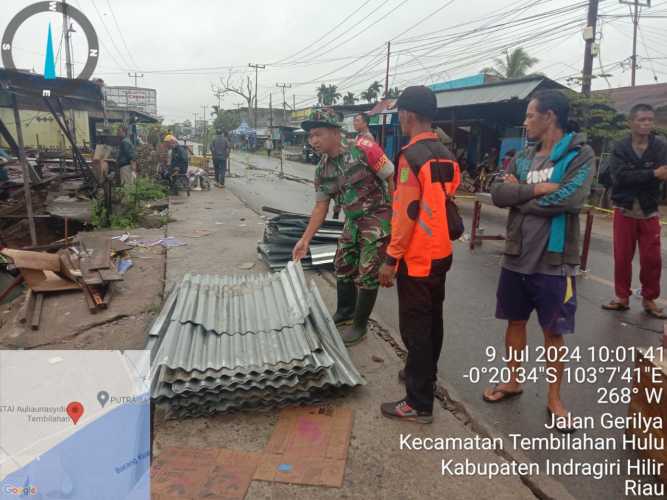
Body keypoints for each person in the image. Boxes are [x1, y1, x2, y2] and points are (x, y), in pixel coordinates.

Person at [483, 90, 594, 433]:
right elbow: (498, 192)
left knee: (553, 332)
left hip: (555, 262)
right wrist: (536, 190)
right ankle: (514, 380)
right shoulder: (522, 157)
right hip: (517, 256)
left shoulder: (580, 155)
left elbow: (571, 198)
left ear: (550, 117)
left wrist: (520, 198)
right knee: (514, 322)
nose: (526, 122)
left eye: (531, 115)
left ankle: (555, 399)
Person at [377, 86, 460, 424]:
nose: (399, 119)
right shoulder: (446, 154)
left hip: (418, 257)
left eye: (400, 113)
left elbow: (406, 213)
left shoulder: (410, 157)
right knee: (433, 322)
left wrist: (391, 258)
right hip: (441, 252)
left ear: (409, 115)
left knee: (415, 329)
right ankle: (424, 376)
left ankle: (418, 402)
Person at [292, 108, 394, 345]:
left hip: (377, 217)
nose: (313, 141)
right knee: (343, 264)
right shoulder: (322, 170)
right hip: (353, 220)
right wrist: (305, 240)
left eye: (318, 134)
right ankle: (346, 311)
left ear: (336, 133)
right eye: (310, 136)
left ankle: (360, 326)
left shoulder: (365, 149)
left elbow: (390, 177)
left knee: (368, 272)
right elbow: (320, 207)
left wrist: (394, 218)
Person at [602, 104, 667, 318]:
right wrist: (652, 174)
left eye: (649, 119)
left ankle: (650, 300)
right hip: (624, 209)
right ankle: (622, 297)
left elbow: (663, 173)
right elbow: (619, 177)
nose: (646, 123)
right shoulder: (620, 146)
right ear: (631, 122)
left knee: (652, 259)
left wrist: (639, 175)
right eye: (641, 119)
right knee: (622, 257)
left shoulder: (660, 146)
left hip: (649, 210)